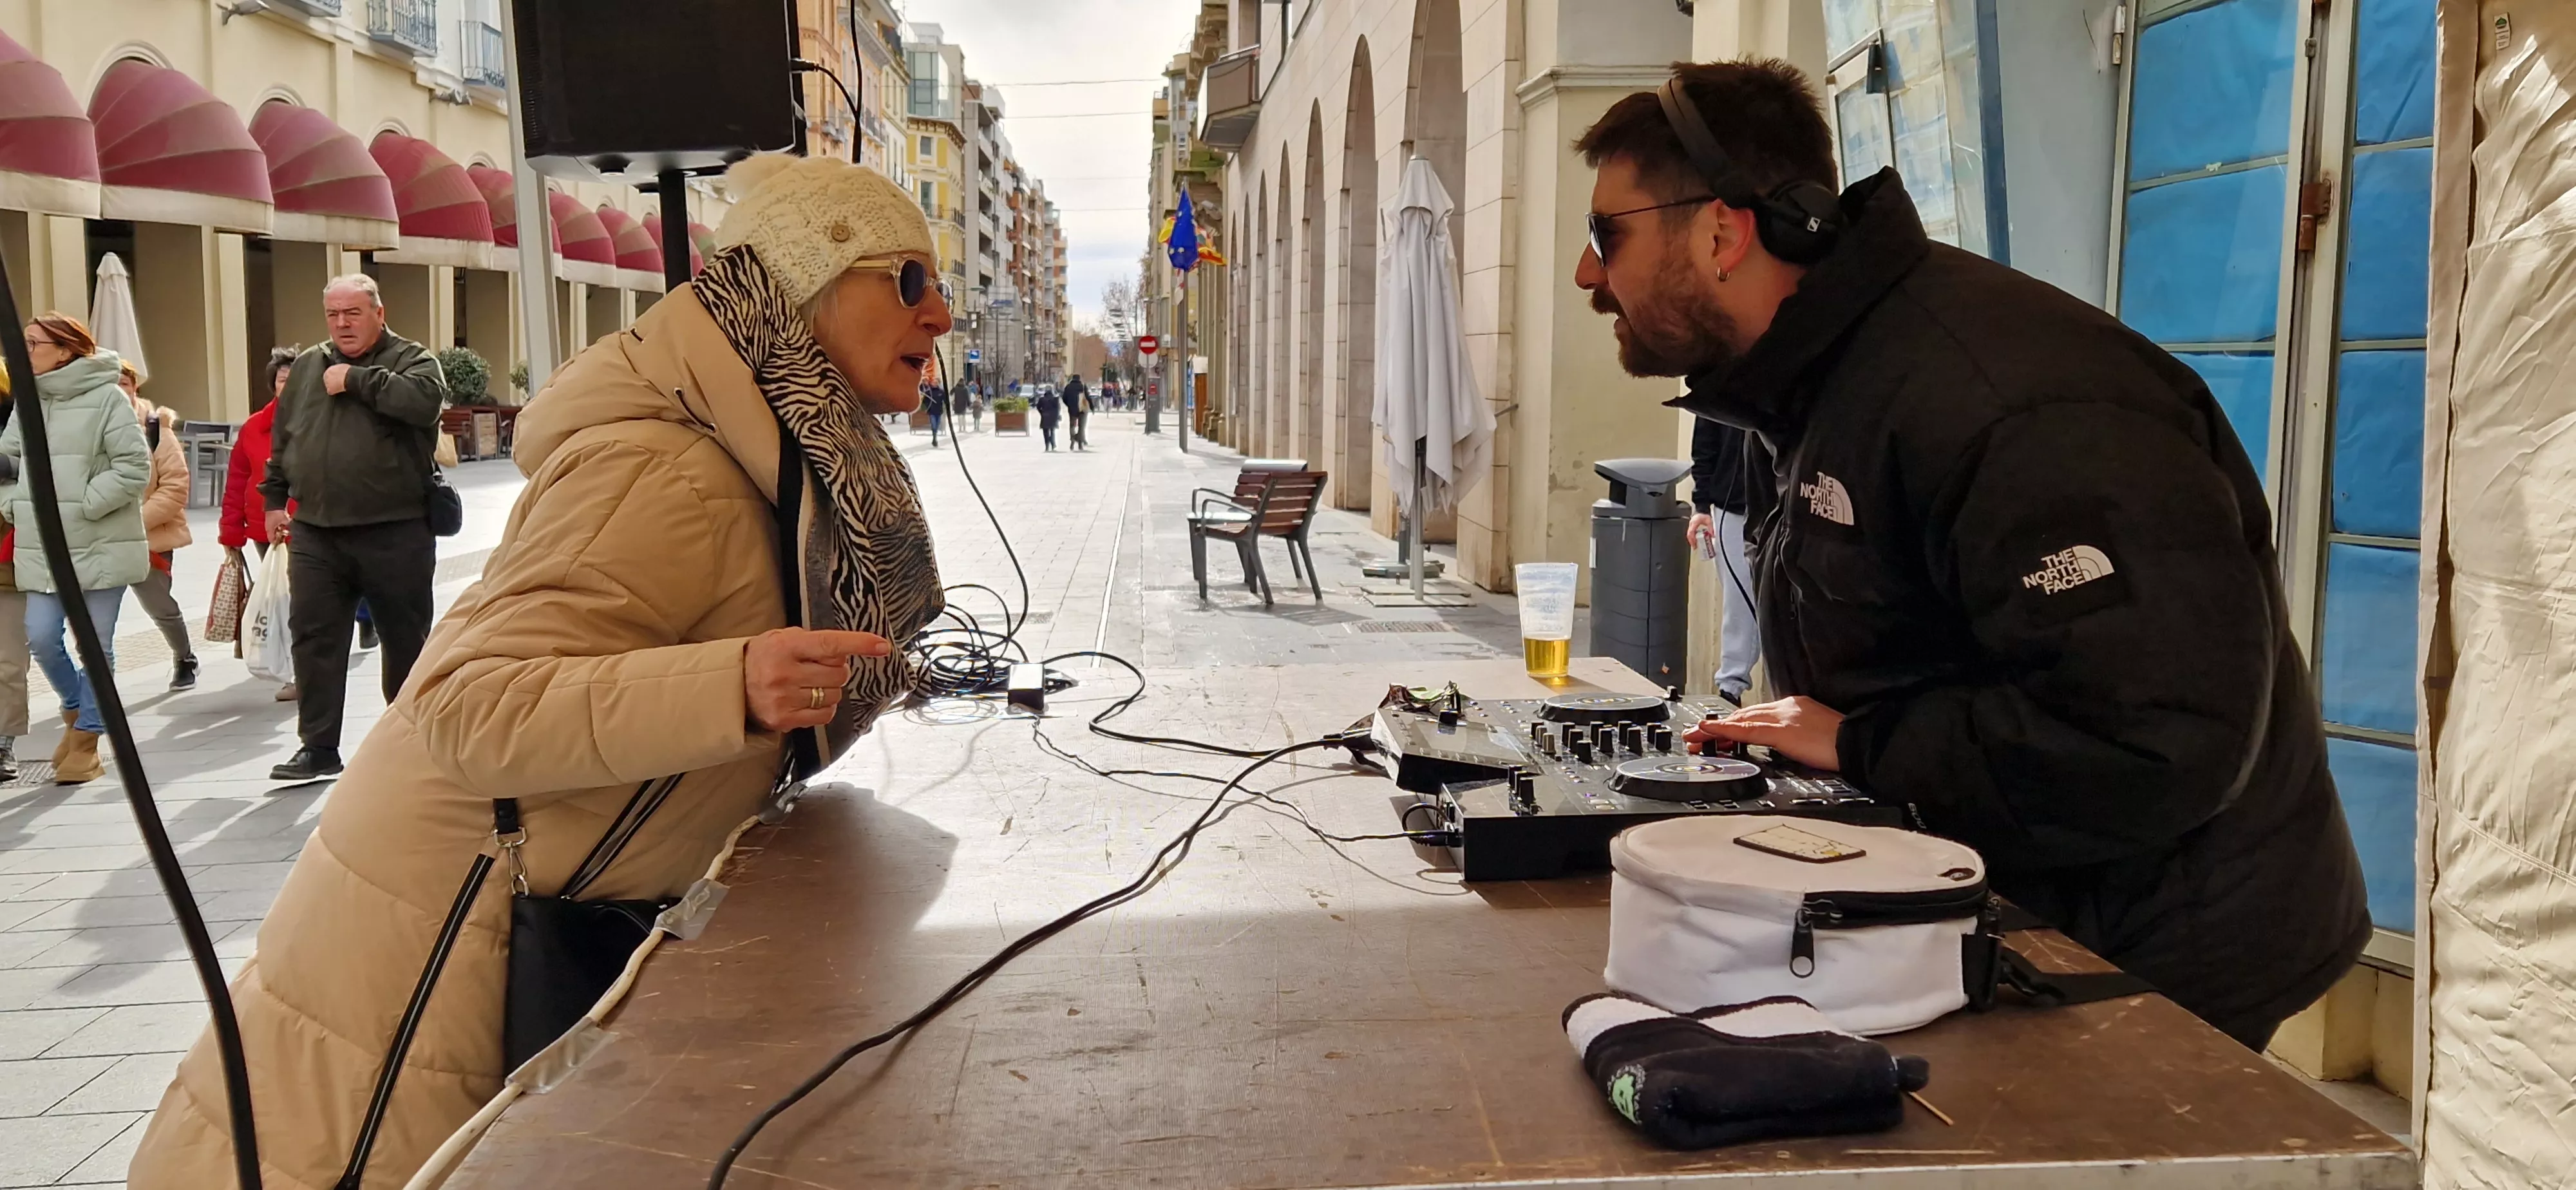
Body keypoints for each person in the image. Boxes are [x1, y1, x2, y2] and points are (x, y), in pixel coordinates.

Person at [131, 151, 952, 1190]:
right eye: (911, 281)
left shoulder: (772, 459)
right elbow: (467, 707)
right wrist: (734, 683)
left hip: (519, 898)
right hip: (447, 926)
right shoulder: (671, 467)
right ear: (808, 286)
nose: (943, 316)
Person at [1573, 61, 2367, 1051]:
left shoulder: (2011, 406)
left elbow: (2155, 740)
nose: (1589, 274)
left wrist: (1865, 743)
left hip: (2153, 960)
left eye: (1609, 234)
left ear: (1725, 233)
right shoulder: (1829, 374)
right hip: (2018, 905)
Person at [260, 274, 446, 782]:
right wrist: (275, 497)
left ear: (379, 314)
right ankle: (318, 747)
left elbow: (424, 404)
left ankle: (410, 742)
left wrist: (357, 380)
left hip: (395, 529)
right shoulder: (306, 367)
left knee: (405, 639)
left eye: (353, 313)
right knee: (314, 639)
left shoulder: (412, 360)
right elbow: (285, 434)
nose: (342, 324)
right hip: (318, 529)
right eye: (333, 315)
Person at [1, 314, 150, 786]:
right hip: (42, 546)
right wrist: (19, 508)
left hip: (102, 544)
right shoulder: (27, 401)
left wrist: (83, 506)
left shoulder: (108, 398)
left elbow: (133, 467)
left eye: (32, 344)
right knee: (42, 638)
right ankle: (75, 710)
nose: (21, 352)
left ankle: (87, 739)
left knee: (96, 646)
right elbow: (8, 467)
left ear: (64, 350)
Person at [222, 348, 300, 701]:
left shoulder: (318, 421)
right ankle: (294, 672)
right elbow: (237, 479)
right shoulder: (255, 427)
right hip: (266, 530)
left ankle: (303, 669)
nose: (290, 385)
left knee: (301, 599)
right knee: (279, 600)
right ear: (274, 385)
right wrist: (230, 531)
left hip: (312, 525)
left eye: (296, 378)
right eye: (283, 379)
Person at [116, 361, 199, 692]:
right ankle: (95, 679)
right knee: (96, 614)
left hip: (148, 538)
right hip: (101, 539)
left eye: (123, 383)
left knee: (159, 605)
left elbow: (176, 486)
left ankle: (184, 656)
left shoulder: (156, 430)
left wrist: (134, 523)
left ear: (135, 387)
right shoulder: (90, 430)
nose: (117, 390)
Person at [1686, 416, 1758, 704]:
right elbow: (1704, 443)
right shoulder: (1719, 376)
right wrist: (1701, 505)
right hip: (1733, 507)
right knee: (1739, 601)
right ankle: (1730, 691)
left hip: (1787, 504)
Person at [0, 370, 26, 780]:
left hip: (8, 560)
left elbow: (52, 462)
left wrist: (6, 464)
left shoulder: (19, 413)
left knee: (8, 661)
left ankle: (3, 742)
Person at [1063, 373, 1090, 451]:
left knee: (1072, 426)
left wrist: (1069, 405)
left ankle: (1072, 441)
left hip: (1072, 410)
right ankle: (1080, 444)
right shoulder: (1083, 386)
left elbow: (1064, 398)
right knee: (1081, 427)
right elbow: (1088, 397)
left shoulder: (1068, 387)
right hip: (1082, 409)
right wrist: (1092, 407)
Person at [1035, 381, 1061, 451]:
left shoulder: (1042, 399)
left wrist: (1042, 413)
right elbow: (1058, 408)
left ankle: (1047, 446)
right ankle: (1053, 445)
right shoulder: (1055, 399)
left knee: (1045, 432)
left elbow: (1038, 407)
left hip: (1045, 417)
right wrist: (1057, 416)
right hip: (1053, 417)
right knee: (1052, 431)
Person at [923, 376, 948, 447]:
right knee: (934, 425)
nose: (935, 384)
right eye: (934, 383)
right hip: (931, 411)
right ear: (931, 383)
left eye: (936, 383)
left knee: (937, 426)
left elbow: (945, 400)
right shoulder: (929, 392)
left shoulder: (941, 392)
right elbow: (925, 401)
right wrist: (928, 406)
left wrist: (947, 407)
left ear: (938, 384)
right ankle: (934, 439)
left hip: (939, 411)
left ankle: (935, 437)